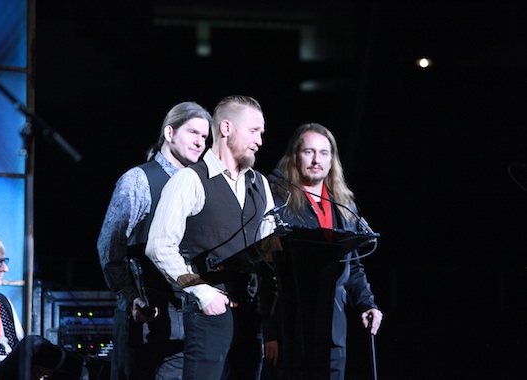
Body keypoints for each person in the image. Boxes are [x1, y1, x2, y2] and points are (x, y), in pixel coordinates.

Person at [146, 95, 276, 380]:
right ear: (227, 128)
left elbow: (269, 251)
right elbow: (159, 245)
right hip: (208, 315)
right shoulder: (190, 179)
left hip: (250, 318)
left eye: (262, 133)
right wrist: (201, 291)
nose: (260, 141)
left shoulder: (261, 184)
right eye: (254, 131)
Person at [97, 101, 211, 380]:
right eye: (193, 133)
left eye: (205, 137)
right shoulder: (138, 180)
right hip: (148, 320)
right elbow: (110, 248)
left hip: (192, 323)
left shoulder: (200, 186)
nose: (200, 142)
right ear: (170, 134)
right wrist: (131, 298)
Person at [264, 123, 383, 380]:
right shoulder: (280, 201)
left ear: (332, 161)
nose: (316, 160)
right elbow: (268, 271)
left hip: (333, 327)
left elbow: (354, 265)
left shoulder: (343, 206)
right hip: (293, 327)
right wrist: (269, 332)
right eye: (308, 152)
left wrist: (366, 304)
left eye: (324, 153)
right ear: (295, 157)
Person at [0, 235, 103, 380]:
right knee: (32, 344)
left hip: (10, 369)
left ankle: (87, 369)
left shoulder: (2, 301)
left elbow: (18, 348)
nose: (5, 269)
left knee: (49, 368)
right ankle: (86, 365)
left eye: (4, 262)